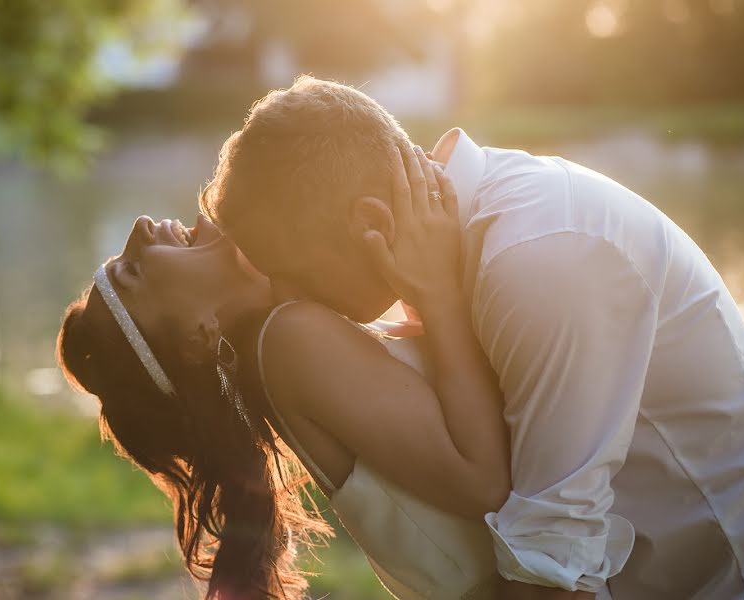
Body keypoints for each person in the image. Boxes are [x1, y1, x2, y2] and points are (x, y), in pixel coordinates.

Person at [200, 76, 744, 599]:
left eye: (293, 274)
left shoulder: (536, 254)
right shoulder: (466, 243)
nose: (290, 298)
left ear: (371, 222)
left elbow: (552, 554)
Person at [56, 148, 511, 599]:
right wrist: (439, 290)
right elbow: (482, 481)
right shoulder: (290, 342)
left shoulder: (294, 328)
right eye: (133, 271)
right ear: (200, 334)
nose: (140, 227)